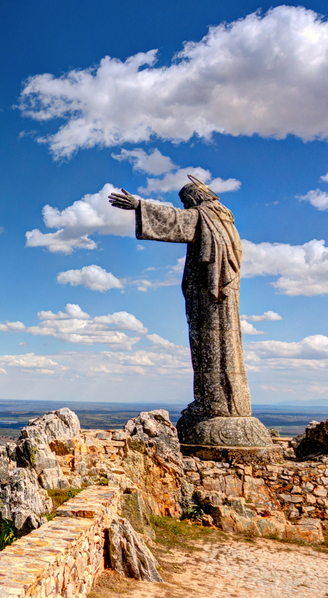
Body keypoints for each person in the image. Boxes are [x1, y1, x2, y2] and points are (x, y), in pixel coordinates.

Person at [109, 177, 270, 447]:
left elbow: (177, 221)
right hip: (221, 296)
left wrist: (139, 205)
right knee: (220, 348)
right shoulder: (225, 222)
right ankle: (223, 403)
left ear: (193, 199)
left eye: (185, 202)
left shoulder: (205, 217)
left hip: (209, 295)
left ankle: (214, 404)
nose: (185, 207)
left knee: (211, 346)